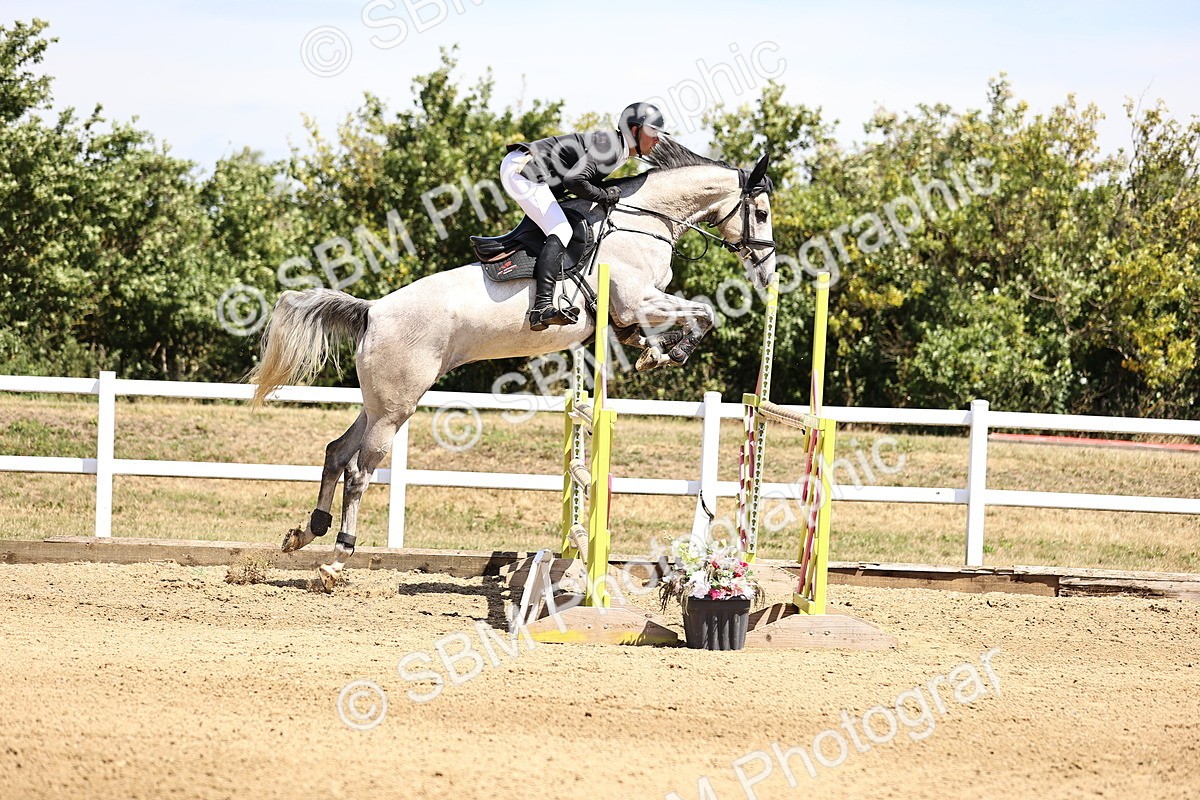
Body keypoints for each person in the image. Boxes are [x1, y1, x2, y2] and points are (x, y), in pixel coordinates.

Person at [500, 102, 669, 330]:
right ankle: (541, 307)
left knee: (558, 224)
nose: (657, 139)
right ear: (635, 130)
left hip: (533, 172)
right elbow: (574, 181)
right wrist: (603, 195)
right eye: (653, 132)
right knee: (561, 229)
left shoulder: (618, 151)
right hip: (524, 170)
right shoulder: (610, 146)